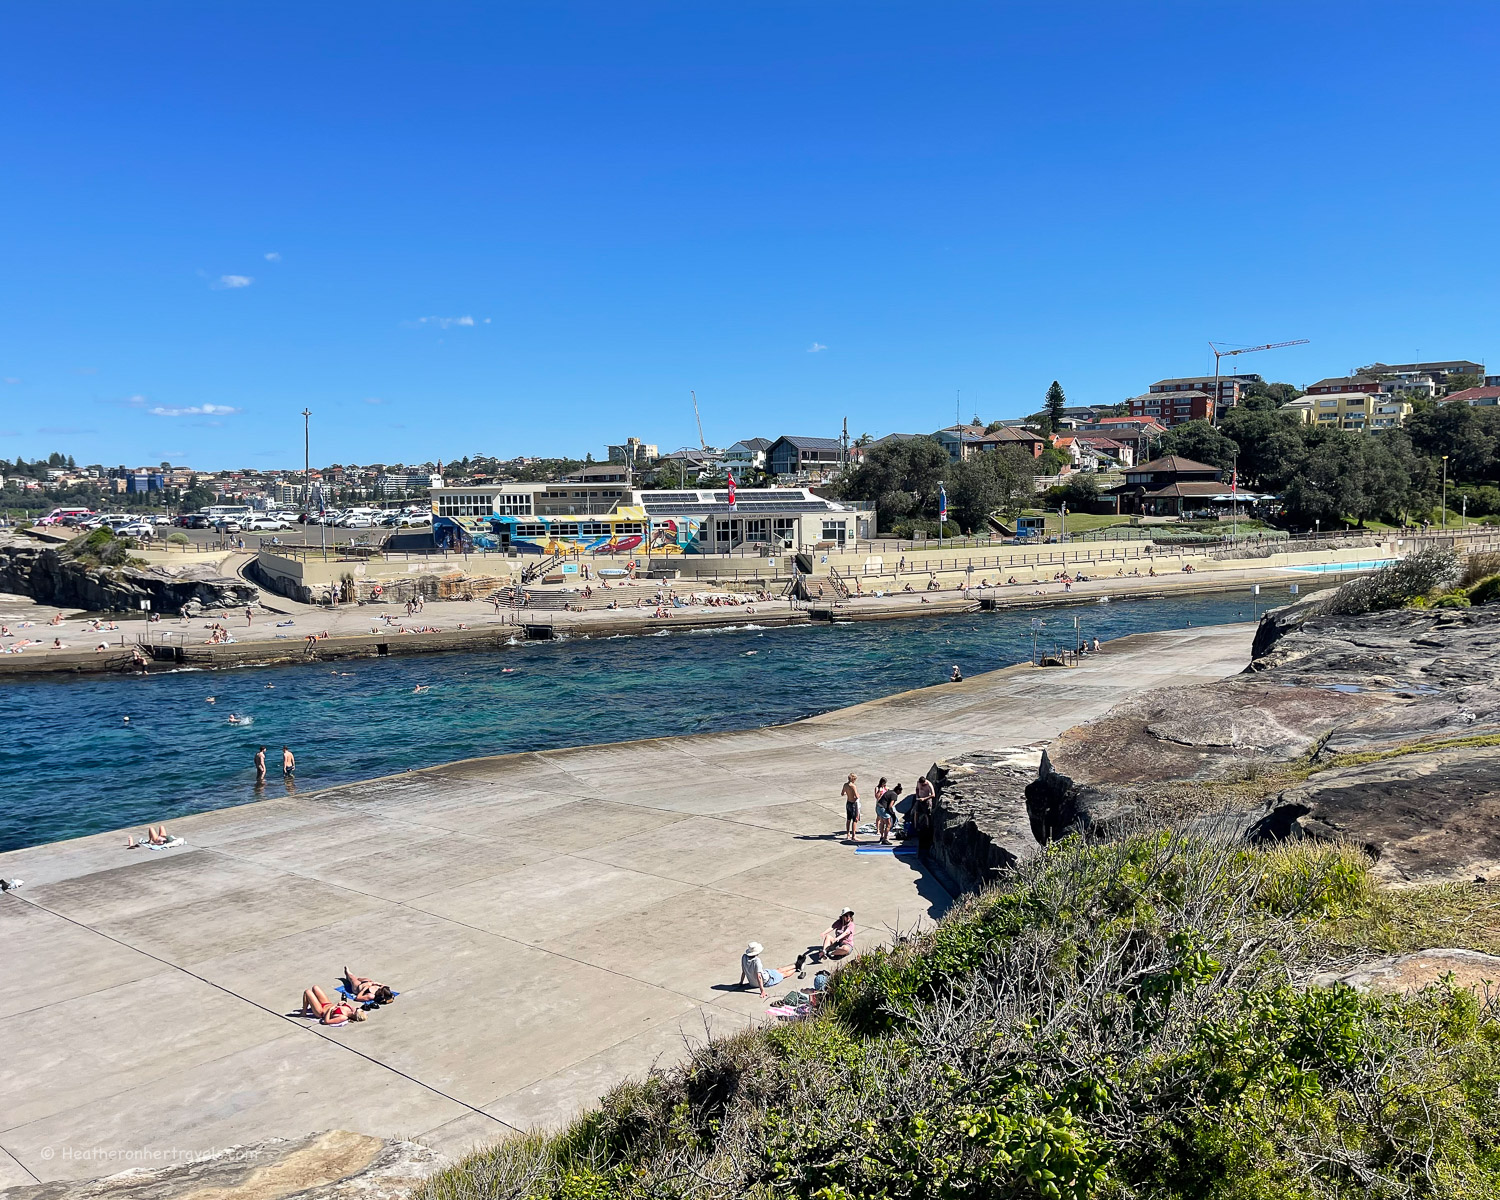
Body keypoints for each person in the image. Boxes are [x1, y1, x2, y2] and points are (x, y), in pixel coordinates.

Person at [298, 985, 366, 1025]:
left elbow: (326, 1021)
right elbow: (343, 1005)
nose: (356, 1008)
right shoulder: (350, 1009)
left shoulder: (343, 1017)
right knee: (315, 987)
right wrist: (342, 1003)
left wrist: (330, 1010)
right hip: (327, 1004)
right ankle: (308, 1006)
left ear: (354, 1013)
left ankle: (304, 1012)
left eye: (357, 1009)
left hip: (321, 1011)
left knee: (307, 992)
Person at [914, 775, 936, 854]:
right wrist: (917, 795)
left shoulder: (929, 784)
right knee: (916, 812)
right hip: (919, 799)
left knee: (927, 814)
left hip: (926, 800)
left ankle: (927, 827)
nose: (922, 786)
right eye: (921, 785)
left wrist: (925, 798)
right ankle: (916, 826)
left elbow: (933, 795)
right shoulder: (919, 783)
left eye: (923, 784)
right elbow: (917, 788)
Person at [841, 773, 861, 842]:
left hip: (848, 802)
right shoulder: (853, 786)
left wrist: (848, 793)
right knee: (855, 819)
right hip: (853, 804)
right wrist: (858, 795)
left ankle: (848, 834)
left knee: (848, 819)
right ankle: (854, 836)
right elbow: (856, 796)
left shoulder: (845, 785)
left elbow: (842, 793)